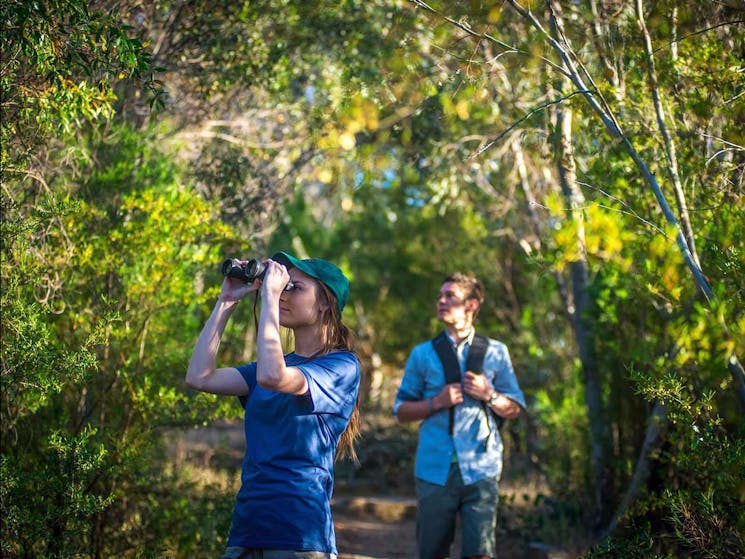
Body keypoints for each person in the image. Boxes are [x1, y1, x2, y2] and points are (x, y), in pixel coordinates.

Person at [186, 251, 360, 559]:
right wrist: (227, 300)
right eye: (282, 285)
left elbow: (272, 377)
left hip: (299, 535)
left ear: (325, 303)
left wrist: (269, 295)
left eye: (294, 287)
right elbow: (200, 377)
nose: (282, 293)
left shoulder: (342, 366)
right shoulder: (268, 368)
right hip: (248, 528)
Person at [393, 273, 526, 559]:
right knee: (432, 553)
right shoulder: (423, 355)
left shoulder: (496, 352)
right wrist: (436, 402)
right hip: (434, 468)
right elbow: (401, 411)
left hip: (482, 466)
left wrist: (489, 395)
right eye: (440, 296)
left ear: (472, 305)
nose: (441, 301)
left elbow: (515, 409)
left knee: (480, 553)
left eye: (450, 296)